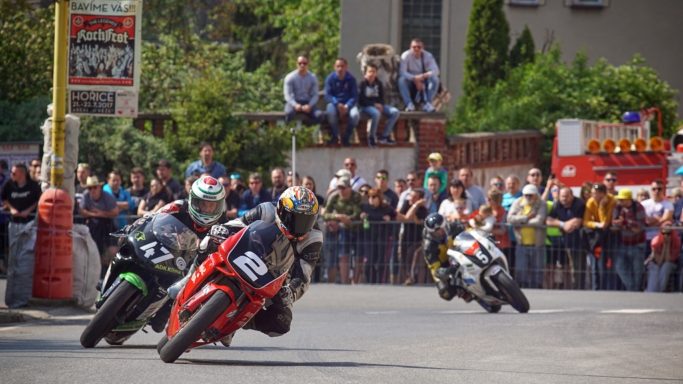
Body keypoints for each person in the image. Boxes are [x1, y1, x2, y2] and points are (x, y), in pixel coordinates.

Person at [191, 186, 320, 345]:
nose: (300, 226)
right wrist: (221, 230)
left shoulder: (313, 237)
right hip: (245, 253)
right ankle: (186, 281)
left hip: (274, 276)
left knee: (281, 323)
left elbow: (305, 274)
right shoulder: (266, 210)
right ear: (281, 210)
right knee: (207, 244)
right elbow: (237, 224)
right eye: (294, 218)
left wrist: (290, 292)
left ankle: (233, 323)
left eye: (307, 220)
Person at [1, 163, 41, 308]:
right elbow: (4, 198)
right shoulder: (9, 185)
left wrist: (27, 210)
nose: (12, 175)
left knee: (25, 262)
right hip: (14, 224)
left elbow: (38, 200)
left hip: (29, 226)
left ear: (22, 173)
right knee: (13, 261)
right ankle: (11, 299)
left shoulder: (33, 186)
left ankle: (23, 299)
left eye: (14, 173)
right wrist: (11, 209)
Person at [322, 176, 362, 284]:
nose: (341, 190)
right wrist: (339, 217)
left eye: (343, 188)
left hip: (357, 229)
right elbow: (325, 215)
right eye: (339, 187)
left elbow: (358, 213)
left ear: (349, 187)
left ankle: (356, 282)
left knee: (359, 256)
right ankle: (345, 282)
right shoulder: (334, 196)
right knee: (343, 255)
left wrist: (349, 219)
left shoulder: (356, 196)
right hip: (342, 230)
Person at [507, 184, 547, 289]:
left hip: (537, 244)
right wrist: (526, 218)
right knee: (521, 270)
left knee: (537, 270)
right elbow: (510, 218)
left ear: (536, 195)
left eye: (530, 195)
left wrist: (520, 222)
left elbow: (539, 220)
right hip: (521, 243)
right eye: (526, 195)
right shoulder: (518, 202)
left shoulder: (541, 204)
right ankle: (522, 289)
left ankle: (537, 289)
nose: (528, 197)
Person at [79, 176, 119, 278]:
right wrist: (94, 215)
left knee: (111, 251)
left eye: (95, 187)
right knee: (93, 251)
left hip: (107, 225)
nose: (92, 190)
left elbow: (115, 212)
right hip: (93, 226)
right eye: (90, 188)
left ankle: (110, 275)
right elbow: (81, 211)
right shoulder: (86, 196)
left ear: (99, 187)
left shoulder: (107, 196)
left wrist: (100, 214)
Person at [546, 187, 586, 290]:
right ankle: (570, 287)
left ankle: (578, 288)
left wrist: (568, 224)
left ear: (572, 196)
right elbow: (549, 220)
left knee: (578, 267)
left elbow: (577, 222)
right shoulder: (557, 204)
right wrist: (563, 224)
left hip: (579, 241)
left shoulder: (579, 204)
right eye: (562, 196)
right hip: (564, 240)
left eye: (566, 196)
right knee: (566, 266)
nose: (564, 199)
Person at [422, 212, 465, 300]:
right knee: (445, 294)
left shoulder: (454, 226)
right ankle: (464, 292)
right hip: (444, 263)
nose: (440, 232)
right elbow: (435, 269)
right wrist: (445, 271)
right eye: (436, 231)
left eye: (441, 228)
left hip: (460, 254)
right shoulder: (429, 246)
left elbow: (469, 232)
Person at [610, 188, 646, 291]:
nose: (620, 201)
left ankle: (636, 289)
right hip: (623, 243)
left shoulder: (638, 208)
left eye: (622, 199)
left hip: (637, 244)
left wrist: (625, 223)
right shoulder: (618, 207)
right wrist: (619, 224)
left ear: (628, 199)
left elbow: (639, 228)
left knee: (637, 271)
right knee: (619, 266)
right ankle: (632, 288)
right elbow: (614, 223)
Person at [582, 183, 616, 290]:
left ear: (604, 194)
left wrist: (601, 207)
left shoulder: (612, 201)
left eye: (597, 194)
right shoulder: (590, 202)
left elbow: (605, 223)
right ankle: (596, 288)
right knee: (594, 266)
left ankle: (606, 288)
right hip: (596, 238)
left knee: (606, 265)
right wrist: (596, 224)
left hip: (609, 237)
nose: (594, 196)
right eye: (593, 193)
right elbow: (586, 222)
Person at [359, 188, 396, 284]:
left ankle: (380, 282)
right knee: (369, 262)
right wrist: (361, 215)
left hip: (382, 237)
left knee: (380, 262)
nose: (371, 199)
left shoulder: (386, 208)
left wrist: (390, 218)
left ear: (379, 198)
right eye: (369, 197)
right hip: (369, 237)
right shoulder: (365, 207)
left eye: (374, 197)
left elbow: (394, 215)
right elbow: (358, 214)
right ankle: (371, 281)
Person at [358, 63, 399, 147]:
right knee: (376, 114)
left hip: (378, 105)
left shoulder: (378, 83)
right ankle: (371, 137)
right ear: (365, 73)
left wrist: (380, 104)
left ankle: (384, 136)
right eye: (370, 71)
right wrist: (374, 104)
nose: (371, 74)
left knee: (395, 112)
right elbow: (361, 100)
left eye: (374, 72)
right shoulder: (362, 84)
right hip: (366, 106)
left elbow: (382, 97)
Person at [324, 57, 359, 146]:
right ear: (334, 67)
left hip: (348, 104)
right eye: (338, 66)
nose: (340, 68)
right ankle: (336, 136)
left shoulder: (351, 79)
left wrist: (347, 106)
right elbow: (328, 95)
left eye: (342, 66)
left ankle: (346, 137)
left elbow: (354, 96)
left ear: (346, 67)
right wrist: (337, 104)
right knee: (330, 113)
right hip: (334, 103)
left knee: (355, 116)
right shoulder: (330, 78)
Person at [398, 38, 440, 112]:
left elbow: (436, 71)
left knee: (435, 79)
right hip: (410, 81)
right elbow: (402, 72)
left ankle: (427, 104)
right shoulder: (405, 56)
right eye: (414, 47)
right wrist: (414, 78)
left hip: (424, 79)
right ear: (410, 48)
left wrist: (423, 76)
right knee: (401, 80)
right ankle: (409, 104)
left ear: (422, 48)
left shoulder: (428, 56)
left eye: (419, 47)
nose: (416, 49)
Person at [398, 188, 429, 286]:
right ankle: (405, 277)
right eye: (410, 196)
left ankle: (411, 277)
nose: (410, 198)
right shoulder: (406, 204)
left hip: (418, 238)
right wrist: (413, 207)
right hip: (406, 236)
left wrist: (415, 206)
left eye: (414, 197)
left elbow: (415, 220)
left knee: (412, 255)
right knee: (402, 256)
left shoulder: (423, 209)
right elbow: (404, 216)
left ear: (419, 199)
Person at [283, 55, 322, 124]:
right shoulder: (290, 77)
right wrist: (295, 105)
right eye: (300, 63)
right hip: (293, 102)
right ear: (296, 64)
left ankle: (306, 128)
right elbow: (287, 95)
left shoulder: (313, 77)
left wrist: (309, 105)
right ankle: (287, 132)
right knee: (289, 113)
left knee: (319, 115)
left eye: (304, 63)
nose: (302, 65)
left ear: (308, 64)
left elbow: (315, 95)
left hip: (307, 102)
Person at [646, 223, 680, 292]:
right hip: (656, 262)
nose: (666, 236)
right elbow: (659, 262)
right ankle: (651, 291)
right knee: (655, 268)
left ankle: (660, 291)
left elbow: (668, 260)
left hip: (671, 263)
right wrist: (664, 246)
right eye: (663, 233)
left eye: (668, 234)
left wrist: (667, 246)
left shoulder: (676, 241)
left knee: (666, 267)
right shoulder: (655, 241)